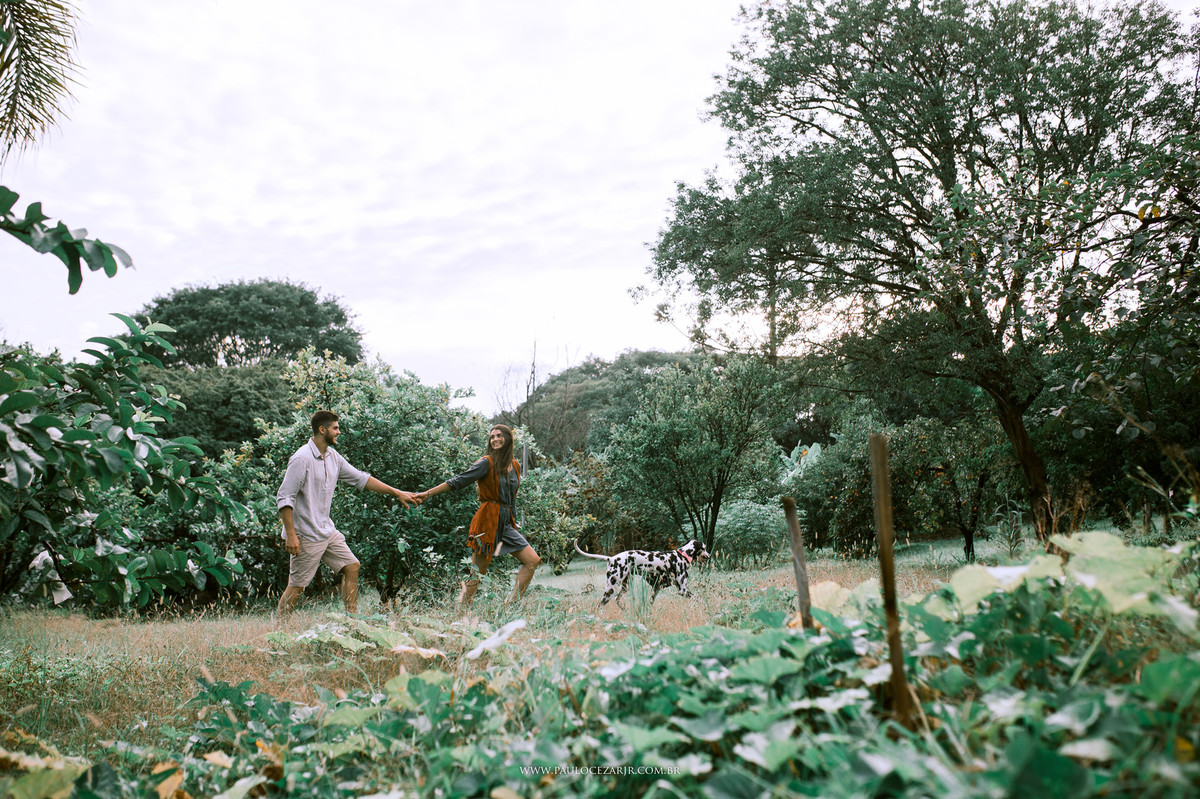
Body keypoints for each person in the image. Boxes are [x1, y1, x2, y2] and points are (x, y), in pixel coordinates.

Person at [276, 410, 420, 617]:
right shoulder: (301, 459)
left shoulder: (332, 456)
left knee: (352, 566)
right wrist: (291, 535)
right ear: (322, 429)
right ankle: (281, 629)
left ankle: (352, 621)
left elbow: (362, 479)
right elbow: (284, 498)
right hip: (305, 533)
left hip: (326, 530)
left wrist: (397, 493)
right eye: (335, 428)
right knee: (298, 586)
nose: (339, 432)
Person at [417, 424, 541, 607]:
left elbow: (512, 497)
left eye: (499, 436)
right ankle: (462, 611)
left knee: (532, 560)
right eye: (492, 437)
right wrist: (427, 494)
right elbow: (459, 480)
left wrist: (513, 522)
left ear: (508, 439)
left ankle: (510, 605)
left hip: (506, 522)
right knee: (477, 573)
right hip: (487, 521)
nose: (495, 439)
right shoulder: (486, 463)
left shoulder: (514, 464)